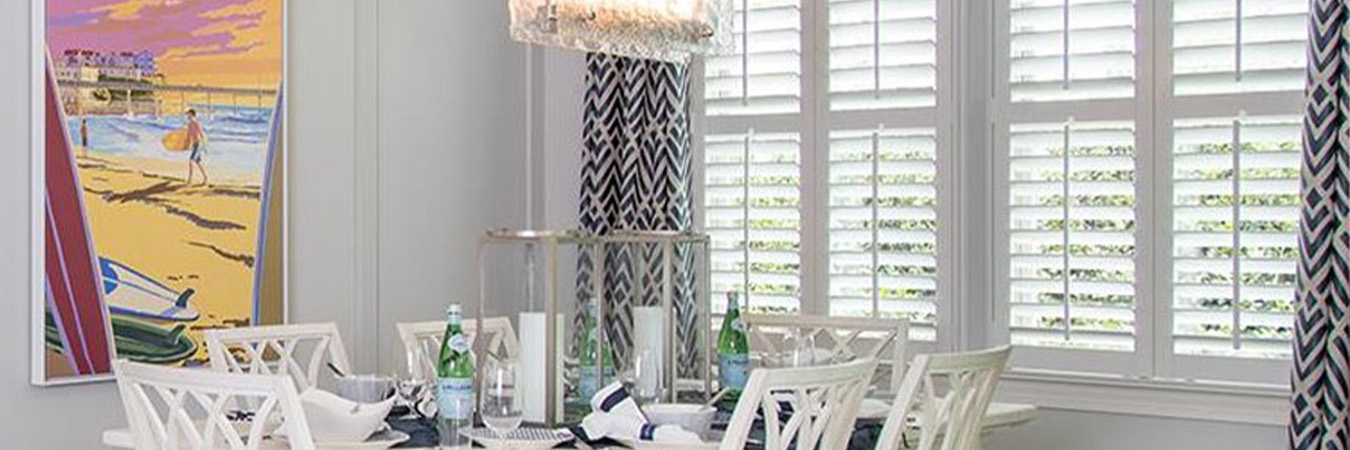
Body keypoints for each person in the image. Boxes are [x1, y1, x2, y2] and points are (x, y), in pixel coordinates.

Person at [185, 109, 208, 185]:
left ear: (193, 115)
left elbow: (201, 134)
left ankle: (190, 180)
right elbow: (188, 137)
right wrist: (186, 145)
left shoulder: (196, 123)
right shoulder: (189, 125)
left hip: (199, 144)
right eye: (188, 115)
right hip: (195, 145)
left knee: (191, 161)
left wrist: (204, 146)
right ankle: (205, 177)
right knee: (198, 162)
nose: (188, 116)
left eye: (189, 115)